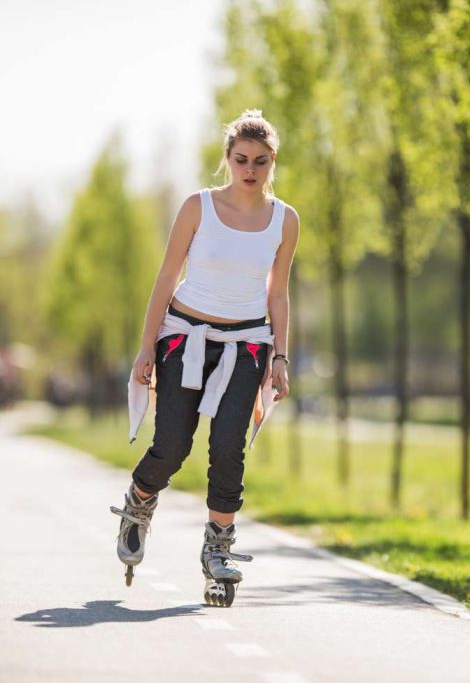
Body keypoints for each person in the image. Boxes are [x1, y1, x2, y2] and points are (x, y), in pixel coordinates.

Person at [110, 109, 300, 605]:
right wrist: (146, 347)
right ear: (228, 159)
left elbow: (277, 294)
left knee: (228, 446)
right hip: (184, 336)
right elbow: (167, 277)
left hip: (248, 344)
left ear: (272, 162)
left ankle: (218, 548)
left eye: (260, 161)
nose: (250, 170)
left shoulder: (285, 220)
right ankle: (140, 501)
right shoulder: (198, 207)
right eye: (241, 160)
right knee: (172, 445)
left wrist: (280, 356)